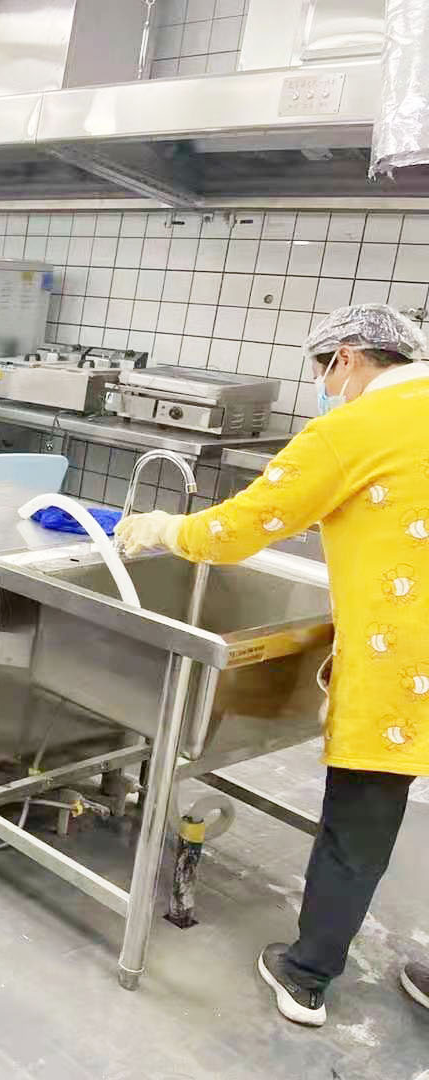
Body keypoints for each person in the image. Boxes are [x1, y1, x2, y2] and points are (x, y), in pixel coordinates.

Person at [116, 303, 429, 1028]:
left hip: (404, 660)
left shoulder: (354, 428)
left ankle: (308, 975)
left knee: (360, 822)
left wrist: (164, 527)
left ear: (346, 357)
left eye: (324, 370)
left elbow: (238, 528)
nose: (326, 386)